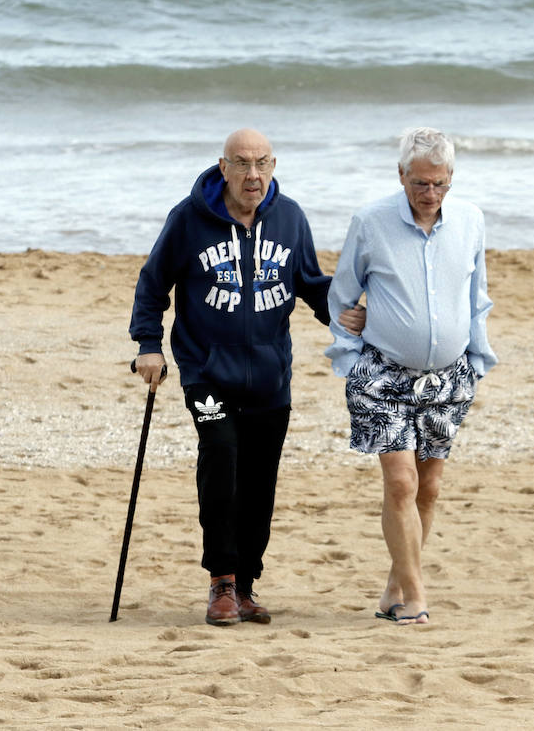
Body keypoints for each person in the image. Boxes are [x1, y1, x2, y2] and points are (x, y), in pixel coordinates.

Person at [129, 128, 363, 626]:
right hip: (206, 370)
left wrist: (354, 316)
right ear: (223, 167)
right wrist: (148, 344)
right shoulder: (189, 219)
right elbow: (153, 284)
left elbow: (308, 284)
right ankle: (222, 582)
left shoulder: (290, 218)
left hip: (269, 376)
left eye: (262, 163)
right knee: (221, 456)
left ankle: (248, 585)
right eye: (241, 163)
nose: (252, 175)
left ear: (273, 165)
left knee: (260, 481)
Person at [325, 127, 498, 626]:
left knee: (429, 488)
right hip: (382, 374)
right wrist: (351, 351)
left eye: (440, 184)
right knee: (400, 483)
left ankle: (394, 590)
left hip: (448, 379)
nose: (430, 195)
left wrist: (477, 360)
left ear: (451, 180)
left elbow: (477, 297)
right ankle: (417, 597)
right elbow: (342, 297)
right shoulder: (372, 222)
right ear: (401, 175)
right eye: (421, 183)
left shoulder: (470, 220)